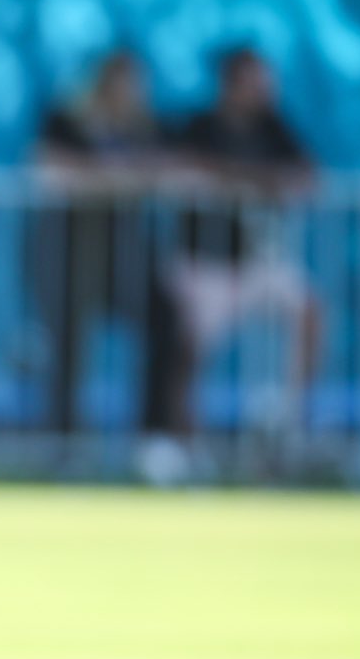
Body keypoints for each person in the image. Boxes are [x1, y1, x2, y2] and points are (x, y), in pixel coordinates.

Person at [160, 47, 321, 468]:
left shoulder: (275, 127)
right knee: (189, 349)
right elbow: (182, 167)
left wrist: (235, 178)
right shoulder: (199, 125)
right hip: (204, 263)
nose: (264, 91)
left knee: (308, 310)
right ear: (231, 84)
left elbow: (306, 175)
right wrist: (254, 179)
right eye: (254, 82)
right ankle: (181, 445)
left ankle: (282, 416)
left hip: (257, 262)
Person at [30, 50, 185, 443]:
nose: (127, 91)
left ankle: (155, 436)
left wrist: (115, 175)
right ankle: (63, 440)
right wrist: (120, 176)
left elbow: (176, 167)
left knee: (166, 321)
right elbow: (48, 168)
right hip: (65, 253)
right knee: (66, 342)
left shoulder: (147, 127)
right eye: (118, 81)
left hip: (124, 255)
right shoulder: (66, 121)